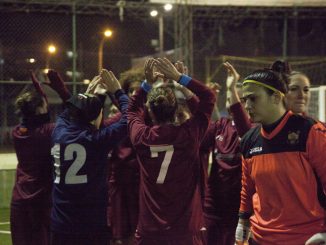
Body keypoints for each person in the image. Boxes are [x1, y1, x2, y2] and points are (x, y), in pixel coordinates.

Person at [234, 62, 326, 245]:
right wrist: (242, 221)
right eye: (245, 100)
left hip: (306, 239)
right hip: (260, 238)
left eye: (253, 99)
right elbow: (248, 188)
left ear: (276, 97)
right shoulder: (248, 140)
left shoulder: (311, 132)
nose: (247, 105)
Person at [128, 57, 216, 245]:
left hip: (150, 230)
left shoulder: (142, 137)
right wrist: (181, 79)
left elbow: (132, 110)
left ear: (150, 112)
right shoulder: (188, 135)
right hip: (184, 230)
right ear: (176, 110)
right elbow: (208, 97)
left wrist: (146, 85)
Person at [50, 69, 129, 245]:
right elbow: (129, 118)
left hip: (61, 224)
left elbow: (67, 113)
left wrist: (85, 96)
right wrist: (118, 91)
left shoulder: (58, 132)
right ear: (94, 118)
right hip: (91, 225)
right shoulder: (97, 140)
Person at [10, 70, 70, 245]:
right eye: (45, 104)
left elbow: (34, 118)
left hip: (20, 200)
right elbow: (77, 114)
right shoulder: (50, 131)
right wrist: (62, 90)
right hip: (42, 201)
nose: (48, 106)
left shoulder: (18, 132)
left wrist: (38, 89)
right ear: (38, 109)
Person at [202, 62, 251, 245]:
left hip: (239, 209)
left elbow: (245, 131)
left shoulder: (254, 129)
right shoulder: (220, 126)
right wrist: (197, 98)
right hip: (213, 206)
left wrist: (232, 88)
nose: (235, 101)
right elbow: (199, 132)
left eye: (243, 99)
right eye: (231, 97)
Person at [106, 70, 144, 245]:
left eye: (139, 91)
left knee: (138, 233)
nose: (134, 95)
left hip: (140, 183)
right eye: (131, 91)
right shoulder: (117, 120)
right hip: (119, 182)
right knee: (119, 235)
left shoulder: (147, 118)